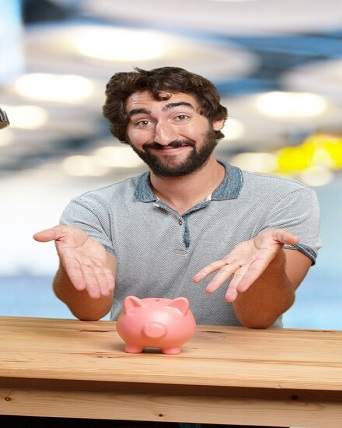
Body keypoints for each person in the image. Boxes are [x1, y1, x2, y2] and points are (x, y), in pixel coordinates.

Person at [33, 66, 321, 329]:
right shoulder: (95, 208)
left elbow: (259, 317)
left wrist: (269, 264)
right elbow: (90, 311)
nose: (163, 135)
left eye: (180, 117)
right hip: (134, 363)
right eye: (143, 122)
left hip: (241, 370)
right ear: (126, 134)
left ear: (216, 120)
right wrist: (70, 271)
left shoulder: (285, 200)